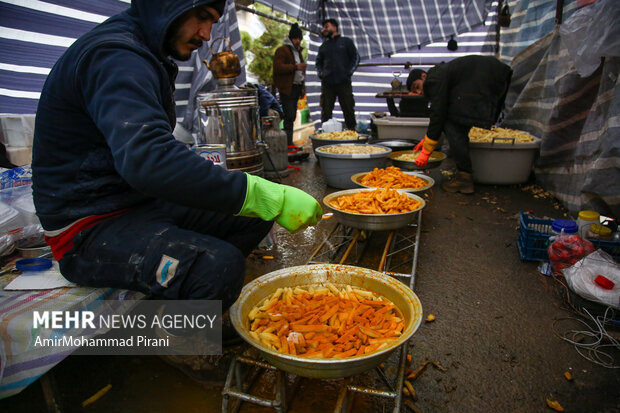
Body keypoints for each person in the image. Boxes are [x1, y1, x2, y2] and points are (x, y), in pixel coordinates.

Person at [31, 0, 323, 311]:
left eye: (212, 22)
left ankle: (179, 285)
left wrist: (256, 195)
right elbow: (148, 160)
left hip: (138, 201)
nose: (207, 34)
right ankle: (173, 337)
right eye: (201, 17)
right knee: (218, 268)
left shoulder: (146, 53)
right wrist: (257, 193)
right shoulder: (115, 56)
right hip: (87, 226)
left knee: (251, 216)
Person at [410, 55, 512, 193]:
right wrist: (428, 138)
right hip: (496, 76)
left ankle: (464, 178)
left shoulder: (434, 77)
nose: (419, 92)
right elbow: (444, 109)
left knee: (453, 124)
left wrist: (427, 150)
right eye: (415, 91)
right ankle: (463, 172)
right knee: (458, 119)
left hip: (484, 79)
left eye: (417, 86)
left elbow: (439, 112)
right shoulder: (446, 75)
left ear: (423, 76)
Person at [315, 18, 360, 130]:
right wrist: (321, 73)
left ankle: (352, 134)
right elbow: (318, 62)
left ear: (335, 27)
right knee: (326, 111)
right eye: (324, 27)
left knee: (348, 109)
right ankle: (325, 137)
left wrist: (348, 72)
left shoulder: (346, 42)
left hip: (343, 82)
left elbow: (356, 58)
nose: (324, 29)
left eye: (327, 26)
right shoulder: (323, 46)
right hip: (327, 84)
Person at [273, 23, 306, 147]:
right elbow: (278, 67)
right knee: (289, 115)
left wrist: (302, 86)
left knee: (291, 116)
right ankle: (287, 143)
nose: (298, 41)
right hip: (287, 87)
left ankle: (288, 142)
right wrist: (295, 67)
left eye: (299, 38)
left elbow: (300, 72)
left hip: (296, 86)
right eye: (296, 38)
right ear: (291, 38)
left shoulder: (297, 52)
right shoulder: (283, 50)